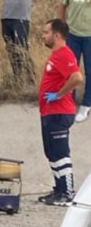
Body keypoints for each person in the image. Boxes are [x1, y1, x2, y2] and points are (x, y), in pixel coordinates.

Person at [37, 19, 83, 205]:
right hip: (49, 111)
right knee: (51, 152)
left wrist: (59, 94)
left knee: (60, 152)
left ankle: (67, 192)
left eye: (46, 32)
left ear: (57, 35)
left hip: (59, 111)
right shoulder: (56, 55)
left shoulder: (64, 54)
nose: (43, 35)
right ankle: (59, 189)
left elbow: (77, 77)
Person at [58, 0, 91, 123]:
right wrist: (63, 26)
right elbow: (63, 5)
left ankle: (86, 104)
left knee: (89, 71)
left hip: (90, 35)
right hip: (73, 34)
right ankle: (69, 100)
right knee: (71, 69)